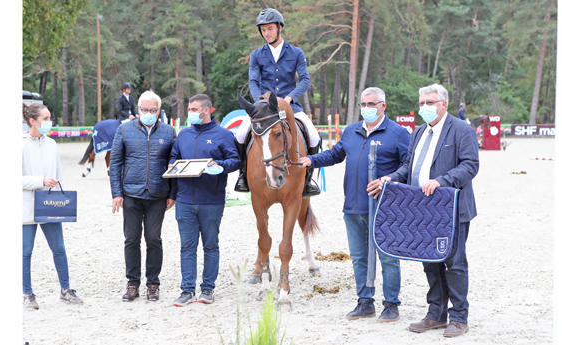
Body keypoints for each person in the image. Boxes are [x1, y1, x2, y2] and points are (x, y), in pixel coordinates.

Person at [367, 83, 479, 337]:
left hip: (451, 209)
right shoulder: (418, 132)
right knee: (430, 261)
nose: (424, 107)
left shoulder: (461, 130)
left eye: (430, 102)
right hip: (423, 212)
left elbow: (470, 165)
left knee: (455, 262)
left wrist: (442, 180)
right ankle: (436, 314)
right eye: (421, 103)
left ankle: (459, 317)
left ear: (443, 105)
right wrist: (390, 178)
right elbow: (409, 165)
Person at [298, 87, 411, 322]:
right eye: (363, 105)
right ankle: (365, 301)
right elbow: (334, 155)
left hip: (385, 208)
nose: (367, 109)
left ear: (383, 106)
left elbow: (409, 165)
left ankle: (391, 305)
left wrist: (389, 179)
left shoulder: (398, 133)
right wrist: (311, 159)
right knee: (359, 257)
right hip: (352, 206)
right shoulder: (350, 131)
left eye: (372, 104)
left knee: (388, 257)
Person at [235, 8, 321, 197]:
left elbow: (305, 80)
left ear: (279, 28)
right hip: (263, 107)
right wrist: (260, 100)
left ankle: (307, 181)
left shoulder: (296, 53)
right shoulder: (257, 55)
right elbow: (253, 82)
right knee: (240, 134)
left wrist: (289, 98)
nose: (266, 33)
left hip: (290, 106)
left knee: (314, 136)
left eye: (270, 29)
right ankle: (242, 175)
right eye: (263, 30)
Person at [170, 94, 240, 307]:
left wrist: (217, 164)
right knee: (187, 247)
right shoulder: (182, 135)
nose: (189, 113)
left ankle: (208, 288)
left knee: (210, 246)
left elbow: (235, 161)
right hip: (184, 201)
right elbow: (173, 157)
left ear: (207, 111)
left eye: (193, 109)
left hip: (212, 201)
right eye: (189, 109)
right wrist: (172, 165)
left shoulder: (224, 135)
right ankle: (187, 290)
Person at [109, 90, 177, 302]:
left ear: (159, 111)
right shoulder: (124, 129)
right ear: (138, 109)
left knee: (153, 238)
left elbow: (174, 164)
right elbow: (115, 163)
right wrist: (116, 193)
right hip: (131, 193)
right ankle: (132, 283)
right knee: (131, 239)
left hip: (158, 193)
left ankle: (153, 283)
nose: (149, 113)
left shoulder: (169, 132)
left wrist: (172, 193)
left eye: (153, 110)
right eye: (145, 109)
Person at [22, 103, 83, 310]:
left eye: (50, 118)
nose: (50, 122)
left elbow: (59, 176)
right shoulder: (19, 144)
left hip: (49, 204)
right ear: (33, 121)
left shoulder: (52, 144)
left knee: (59, 249)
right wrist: (41, 180)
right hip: (27, 205)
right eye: (46, 119)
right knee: (25, 251)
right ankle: (27, 293)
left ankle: (65, 290)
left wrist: (62, 202)